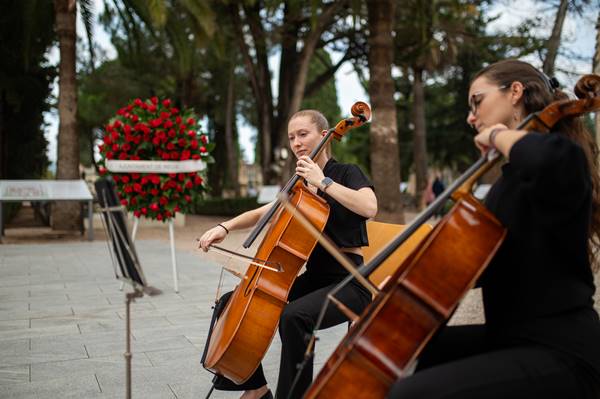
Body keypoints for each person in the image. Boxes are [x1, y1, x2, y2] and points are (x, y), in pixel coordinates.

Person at [387, 59, 600, 398]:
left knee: (408, 395)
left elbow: (549, 159)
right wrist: (403, 292)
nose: (471, 116)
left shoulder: (563, 160)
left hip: (562, 349)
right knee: (424, 346)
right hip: (511, 335)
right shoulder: (507, 183)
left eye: (477, 101)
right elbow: (471, 267)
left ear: (515, 92)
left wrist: (499, 135)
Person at [198, 109, 377, 399]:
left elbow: (369, 207)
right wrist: (225, 226)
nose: (296, 142)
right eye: (292, 137)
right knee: (232, 302)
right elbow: (266, 212)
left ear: (324, 134)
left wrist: (323, 182)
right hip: (316, 278)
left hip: (350, 281)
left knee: (294, 317)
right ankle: (256, 389)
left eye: (303, 134)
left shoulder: (346, 172)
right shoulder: (298, 184)